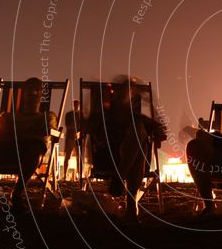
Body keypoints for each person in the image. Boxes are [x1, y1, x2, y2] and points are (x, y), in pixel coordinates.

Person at [0, 77, 58, 213]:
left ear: (41, 95)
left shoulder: (47, 116)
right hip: (3, 151)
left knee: (35, 148)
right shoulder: (7, 117)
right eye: (29, 89)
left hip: (26, 153)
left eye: (37, 89)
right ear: (22, 93)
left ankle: (16, 194)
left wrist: (14, 133)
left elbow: (49, 133)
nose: (32, 92)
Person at [87, 77, 166, 220]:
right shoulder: (105, 113)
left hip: (127, 158)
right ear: (115, 93)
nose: (126, 95)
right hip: (109, 155)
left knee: (138, 130)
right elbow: (89, 127)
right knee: (138, 140)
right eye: (123, 90)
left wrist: (157, 128)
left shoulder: (136, 117)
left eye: (128, 91)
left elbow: (159, 128)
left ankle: (120, 175)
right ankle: (131, 204)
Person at [63, 99, 83, 181]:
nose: (76, 106)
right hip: (71, 137)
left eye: (77, 105)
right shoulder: (70, 114)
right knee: (68, 156)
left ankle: (78, 175)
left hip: (76, 137)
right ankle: (65, 175)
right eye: (75, 105)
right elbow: (68, 125)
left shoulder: (80, 115)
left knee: (78, 157)